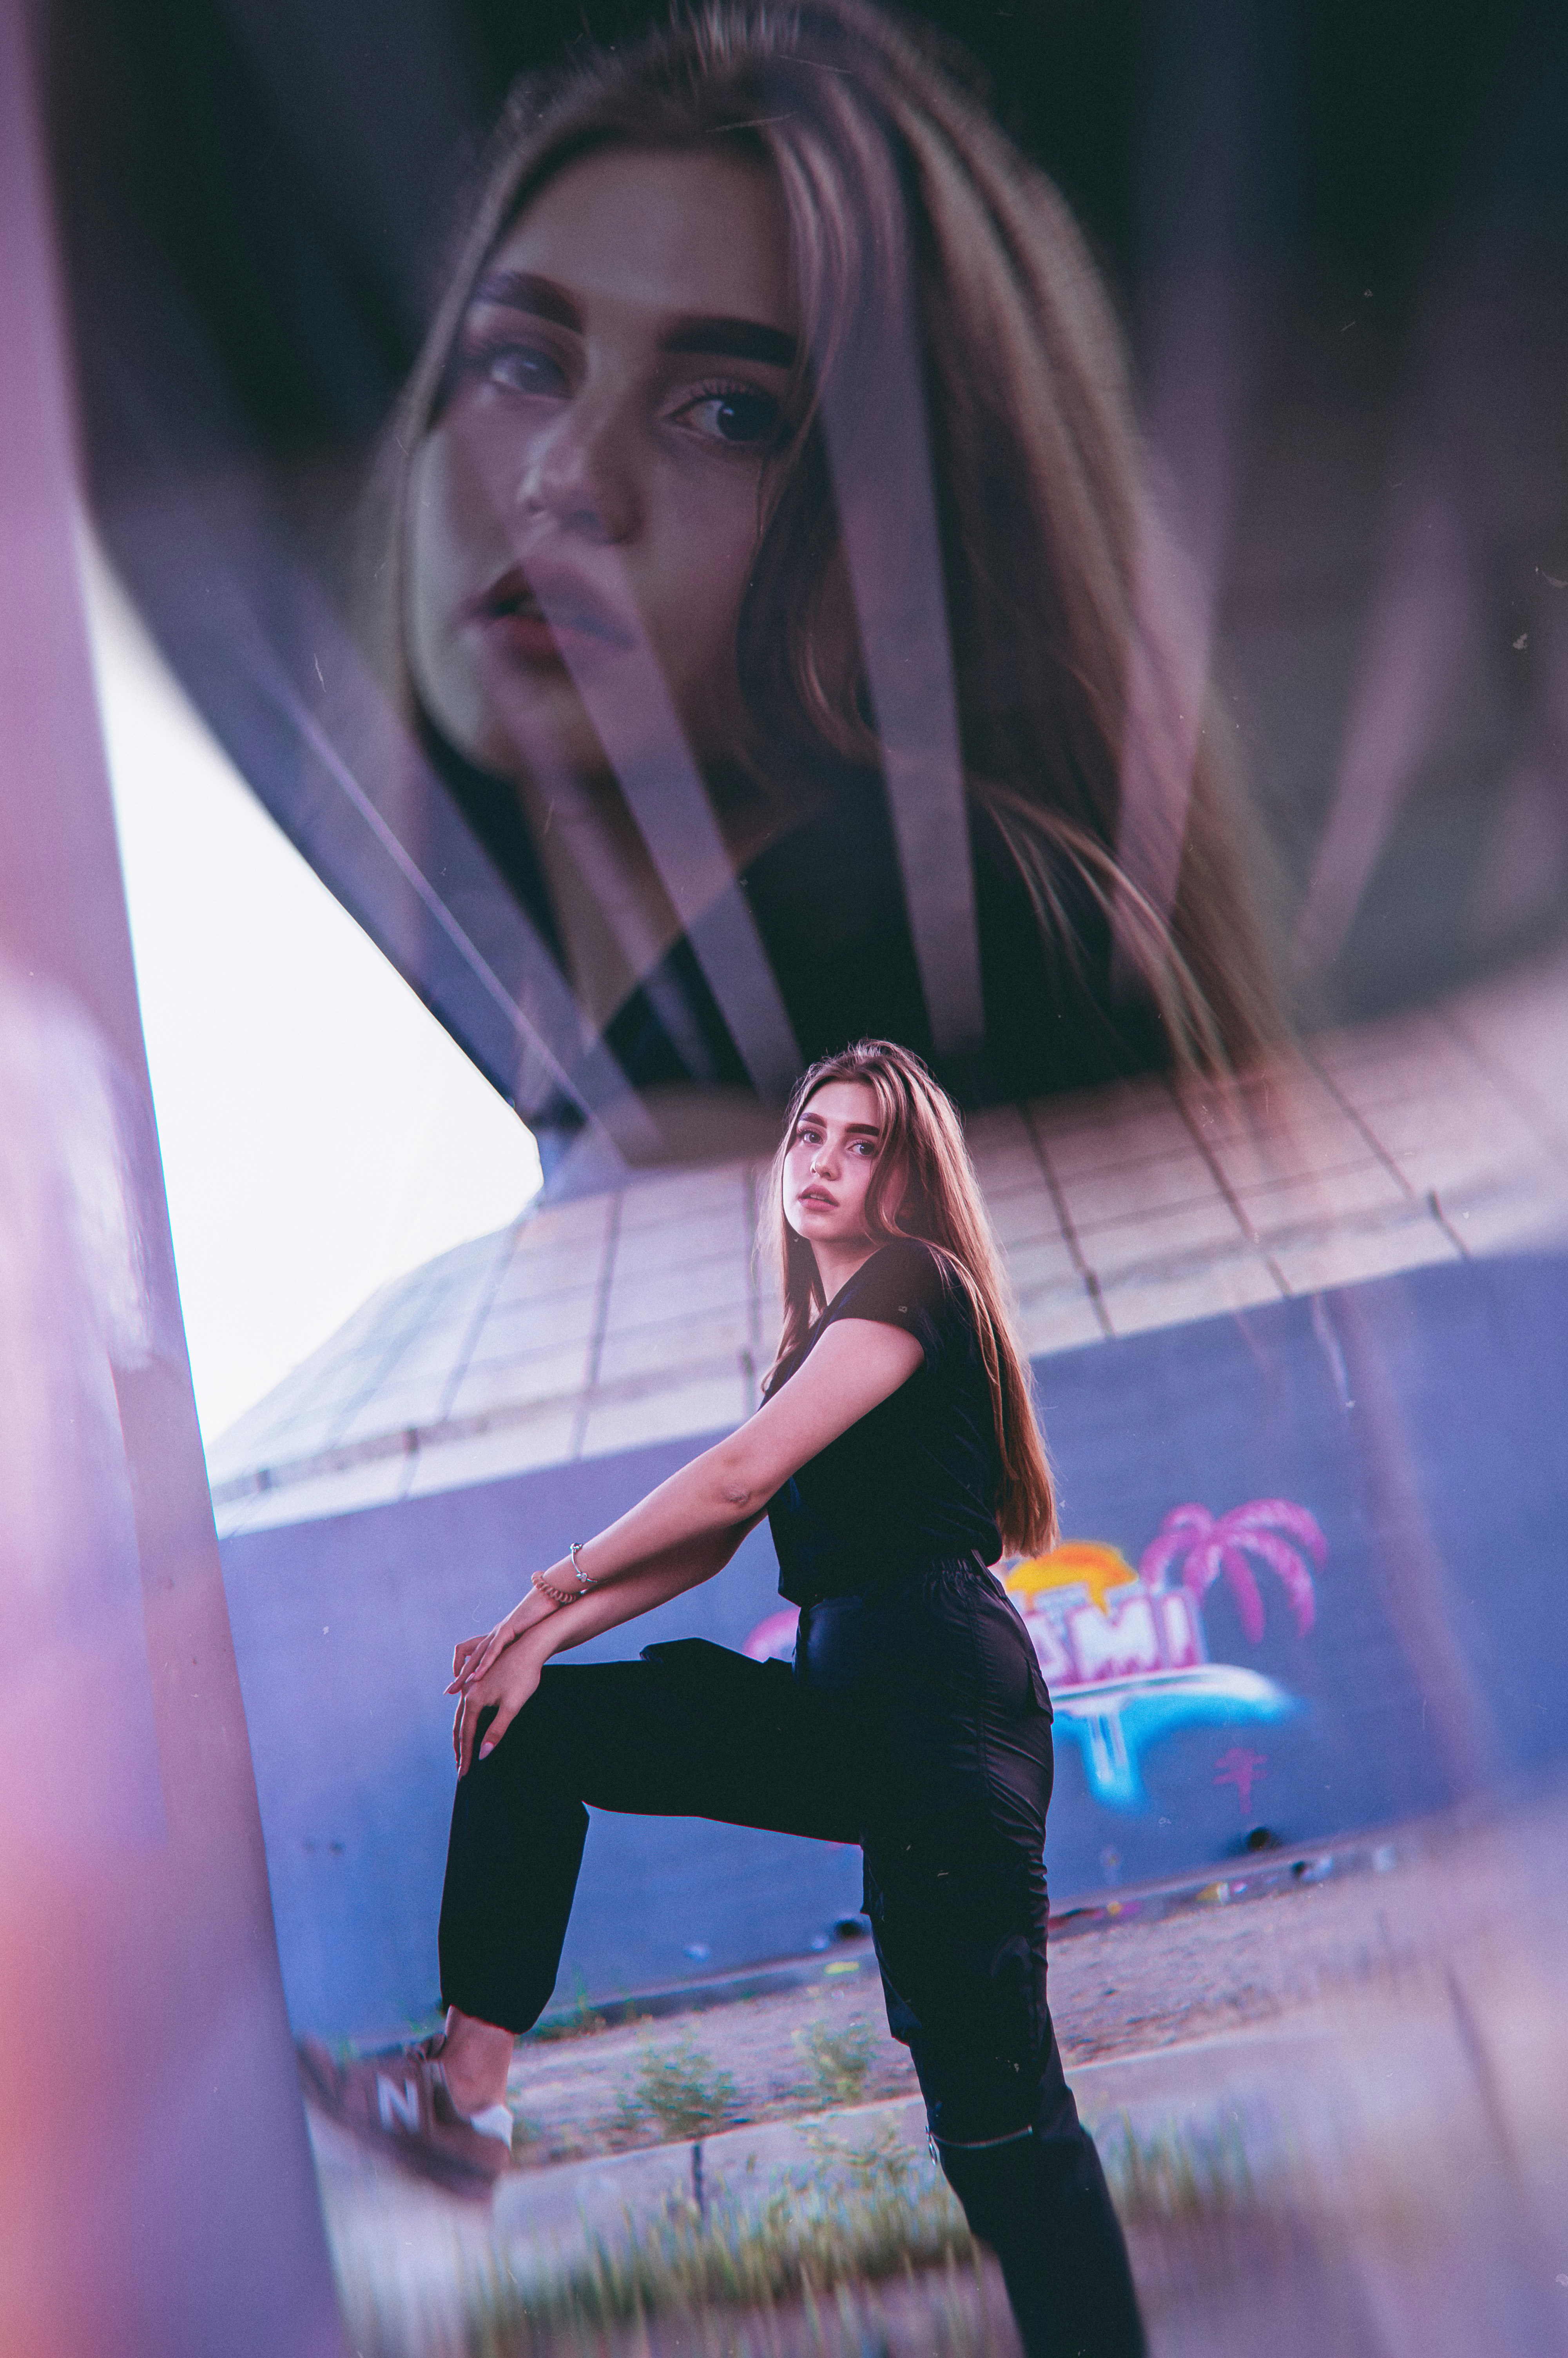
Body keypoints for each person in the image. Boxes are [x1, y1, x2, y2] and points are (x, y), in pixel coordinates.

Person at [302, 1038, 1147, 2358]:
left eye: (865, 1143)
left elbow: (738, 1481)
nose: (825, 1162)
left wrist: (542, 1587)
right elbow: (712, 1543)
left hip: (940, 1711)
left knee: (1002, 2136)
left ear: (906, 1177)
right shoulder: (818, 1344)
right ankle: (462, 2106)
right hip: (851, 1704)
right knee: (538, 1730)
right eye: (812, 1133)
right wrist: (538, 1643)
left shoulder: (916, 1286)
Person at [366, 0, 1279, 1142]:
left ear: (918, 530)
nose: (568, 476)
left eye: (730, 410)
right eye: (520, 363)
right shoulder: (619, 1072)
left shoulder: (935, 972)